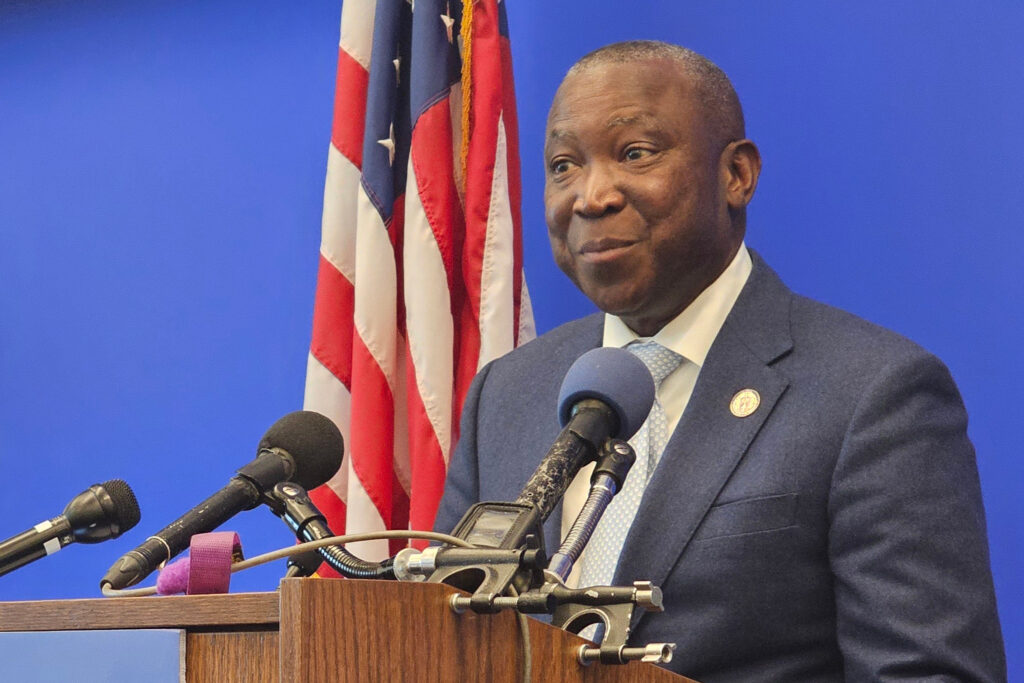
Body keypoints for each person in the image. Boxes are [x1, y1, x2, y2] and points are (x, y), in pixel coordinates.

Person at [434, 41, 1005, 681]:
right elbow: (441, 643)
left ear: (736, 175)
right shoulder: (506, 394)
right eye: (564, 165)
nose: (591, 195)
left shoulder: (871, 396)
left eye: (635, 154)